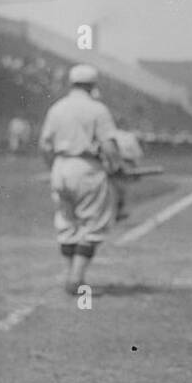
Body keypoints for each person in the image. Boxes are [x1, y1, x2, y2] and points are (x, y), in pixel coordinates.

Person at [38, 64, 121, 295]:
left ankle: (69, 273)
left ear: (71, 83)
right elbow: (108, 145)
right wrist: (115, 167)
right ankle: (76, 277)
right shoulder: (97, 109)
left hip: (61, 166)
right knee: (92, 222)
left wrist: (53, 167)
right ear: (93, 85)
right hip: (87, 167)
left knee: (66, 220)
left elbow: (44, 145)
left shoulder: (57, 108)